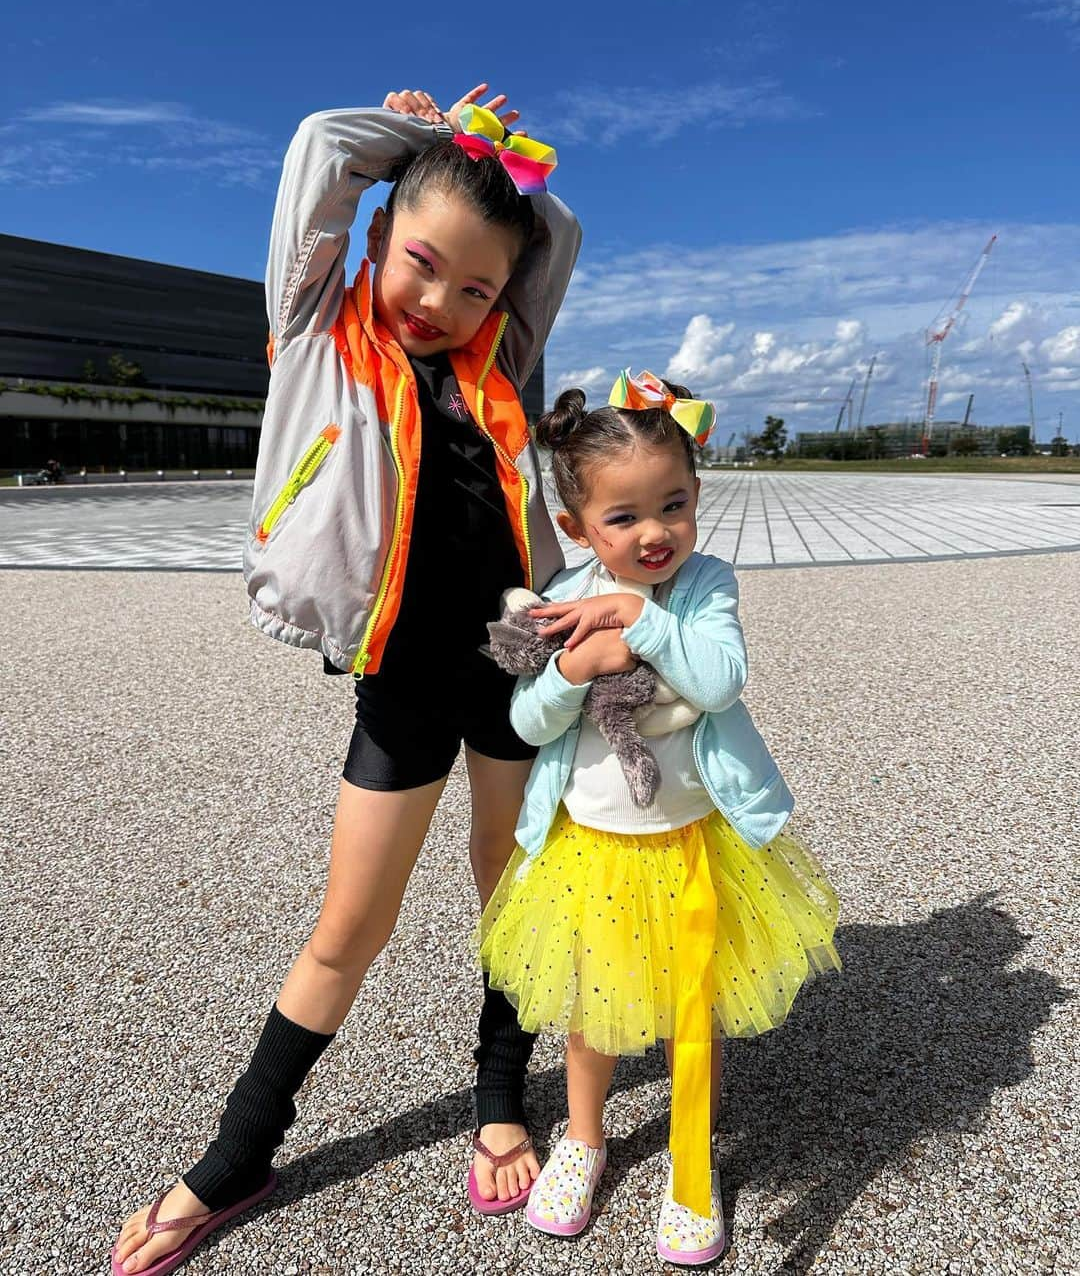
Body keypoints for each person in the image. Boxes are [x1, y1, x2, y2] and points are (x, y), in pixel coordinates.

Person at [111, 82, 580, 1275]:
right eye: (423, 267)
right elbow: (322, 148)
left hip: (518, 669)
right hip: (404, 679)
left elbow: (556, 237)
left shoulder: (501, 356)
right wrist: (430, 139)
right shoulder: (321, 326)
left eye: (477, 287)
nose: (444, 303)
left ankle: (498, 1099)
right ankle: (236, 1154)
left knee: (508, 903)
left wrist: (491, 177)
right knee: (345, 930)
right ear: (374, 240)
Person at [477, 373, 841, 1265]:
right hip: (590, 847)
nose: (654, 533)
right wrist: (572, 668)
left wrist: (634, 616)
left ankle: (690, 1160)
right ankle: (585, 1138)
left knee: (694, 1007)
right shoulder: (558, 592)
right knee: (592, 1008)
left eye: (672, 505)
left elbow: (717, 681)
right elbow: (524, 724)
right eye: (625, 517)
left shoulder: (704, 585)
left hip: (692, 843)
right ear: (577, 527)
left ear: (697, 498)